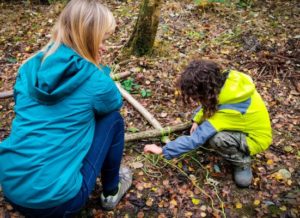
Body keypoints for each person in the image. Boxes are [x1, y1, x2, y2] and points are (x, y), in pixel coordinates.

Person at [0, 0, 132, 217]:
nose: (104, 46)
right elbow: (113, 102)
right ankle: (111, 191)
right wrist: (97, 68)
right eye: (102, 39)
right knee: (113, 120)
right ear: (89, 38)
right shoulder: (95, 79)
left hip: (11, 186)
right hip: (57, 203)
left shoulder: (28, 66)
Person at [144, 59, 272, 188]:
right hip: (241, 125)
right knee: (206, 123)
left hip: (255, 139)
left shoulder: (230, 111)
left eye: (197, 96)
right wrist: (197, 119)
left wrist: (163, 150)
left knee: (217, 139)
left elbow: (196, 138)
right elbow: (210, 104)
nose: (196, 99)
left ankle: (242, 163)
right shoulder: (228, 82)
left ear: (206, 90)